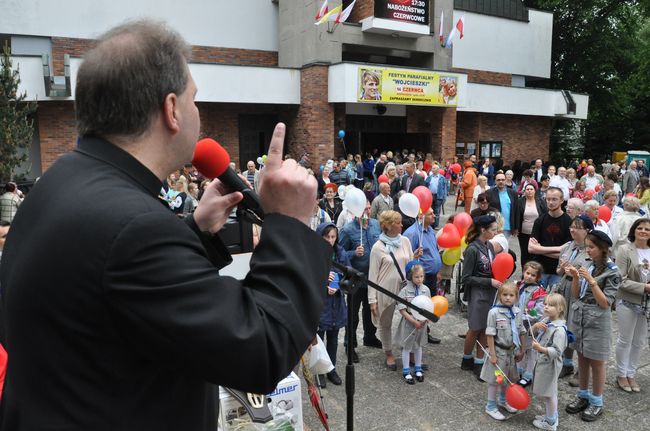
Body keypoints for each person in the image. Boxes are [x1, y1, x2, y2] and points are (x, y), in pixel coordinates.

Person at [0, 21, 332, 430]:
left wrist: (194, 231)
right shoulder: (135, 228)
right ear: (171, 110)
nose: (199, 112)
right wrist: (290, 224)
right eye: (195, 100)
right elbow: (261, 349)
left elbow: (118, 297)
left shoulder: (61, 181)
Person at [564, 230, 620, 422]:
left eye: (591, 247)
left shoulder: (613, 272)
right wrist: (576, 279)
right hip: (580, 316)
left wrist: (591, 281)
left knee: (597, 362)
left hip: (597, 320)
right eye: (587, 246)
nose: (587, 250)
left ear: (603, 249)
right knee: (582, 358)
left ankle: (597, 402)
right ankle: (583, 395)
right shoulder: (588, 264)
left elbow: (605, 303)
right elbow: (575, 295)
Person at [368, 210, 420, 370]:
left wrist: (416, 258)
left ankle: (411, 352)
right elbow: (372, 274)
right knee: (386, 323)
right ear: (389, 225)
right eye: (398, 222)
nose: (402, 224)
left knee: (411, 320)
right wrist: (372, 300)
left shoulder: (404, 241)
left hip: (405, 289)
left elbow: (410, 264)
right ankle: (389, 353)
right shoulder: (378, 247)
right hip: (385, 290)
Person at [339, 200, 382, 360]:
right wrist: (353, 253)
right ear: (357, 210)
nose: (368, 211)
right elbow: (340, 254)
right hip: (355, 279)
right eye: (365, 208)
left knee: (370, 310)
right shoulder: (348, 229)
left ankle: (370, 337)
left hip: (373, 278)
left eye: (369, 208)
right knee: (353, 314)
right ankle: (349, 344)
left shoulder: (376, 225)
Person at [460, 215, 500, 379]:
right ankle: (466, 358)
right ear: (483, 230)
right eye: (493, 229)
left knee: (486, 327)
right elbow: (466, 278)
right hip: (477, 293)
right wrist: (489, 280)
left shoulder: (489, 245)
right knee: (475, 327)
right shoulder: (472, 249)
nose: (496, 232)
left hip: (490, 292)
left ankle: (479, 361)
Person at [614, 218, 650, 393]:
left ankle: (631, 373)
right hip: (628, 300)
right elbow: (619, 280)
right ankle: (621, 374)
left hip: (647, 304)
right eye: (640, 228)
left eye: (647, 229)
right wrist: (644, 287)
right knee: (625, 339)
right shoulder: (624, 250)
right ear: (634, 230)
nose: (644, 231)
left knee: (639, 341)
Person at [555, 215, 592, 383]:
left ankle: (581, 370)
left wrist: (576, 274)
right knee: (564, 325)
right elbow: (558, 272)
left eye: (577, 227)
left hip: (580, 291)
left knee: (576, 327)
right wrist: (563, 269)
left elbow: (593, 275)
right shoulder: (568, 247)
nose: (572, 230)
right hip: (564, 288)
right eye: (571, 226)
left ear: (587, 231)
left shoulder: (591, 250)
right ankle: (566, 363)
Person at [481, 282, 526, 421]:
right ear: (499, 295)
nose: (508, 298)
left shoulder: (517, 312)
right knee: (496, 380)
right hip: (498, 353)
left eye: (511, 295)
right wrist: (492, 355)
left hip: (511, 353)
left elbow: (521, 331)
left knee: (508, 379)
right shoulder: (494, 312)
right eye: (504, 295)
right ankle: (490, 406)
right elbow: (490, 334)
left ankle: (502, 400)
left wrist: (522, 350)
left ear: (516, 297)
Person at [315, 222, 350, 387]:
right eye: (327, 236)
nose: (330, 240)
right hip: (321, 305)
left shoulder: (340, 252)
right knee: (319, 339)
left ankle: (331, 369)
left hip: (336, 302)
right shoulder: (313, 254)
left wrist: (338, 286)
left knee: (334, 339)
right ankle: (320, 371)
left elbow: (348, 274)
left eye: (333, 237)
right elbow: (308, 276)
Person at [530, 293, 569, 431]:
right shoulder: (547, 320)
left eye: (551, 305)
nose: (546, 307)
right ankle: (550, 415)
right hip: (543, 363)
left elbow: (557, 352)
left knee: (549, 393)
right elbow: (533, 332)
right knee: (549, 392)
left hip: (549, 365)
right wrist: (535, 327)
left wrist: (540, 348)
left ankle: (551, 422)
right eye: (545, 304)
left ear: (560, 309)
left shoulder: (559, 331)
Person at [403, 207, 443, 343]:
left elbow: (434, 250)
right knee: (420, 307)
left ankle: (425, 332)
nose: (434, 216)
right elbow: (408, 258)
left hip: (432, 275)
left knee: (428, 306)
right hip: (420, 278)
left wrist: (438, 270)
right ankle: (417, 333)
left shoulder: (430, 230)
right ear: (421, 216)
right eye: (430, 214)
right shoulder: (413, 233)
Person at [394, 262, 430, 384]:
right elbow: (402, 310)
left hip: (422, 324)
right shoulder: (405, 291)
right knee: (407, 346)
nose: (419, 279)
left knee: (418, 346)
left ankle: (418, 368)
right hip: (409, 323)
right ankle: (406, 371)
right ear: (411, 277)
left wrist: (425, 320)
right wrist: (414, 321)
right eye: (416, 277)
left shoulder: (426, 290)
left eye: (421, 276)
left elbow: (429, 307)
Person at [529, 187, 572, 289]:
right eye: (548, 199)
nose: (550, 202)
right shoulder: (540, 221)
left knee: (554, 303)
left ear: (562, 200)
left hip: (558, 271)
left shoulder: (569, 222)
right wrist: (559, 249)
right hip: (540, 269)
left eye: (554, 199)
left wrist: (540, 250)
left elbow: (567, 254)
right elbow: (531, 249)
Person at [516, 261, 546, 387]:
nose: (529, 276)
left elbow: (539, 311)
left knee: (531, 351)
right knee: (520, 348)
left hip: (531, 327)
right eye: (527, 273)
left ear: (537, 277)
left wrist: (525, 316)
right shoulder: (518, 285)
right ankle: (519, 370)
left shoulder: (539, 292)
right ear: (523, 272)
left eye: (533, 275)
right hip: (518, 325)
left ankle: (529, 374)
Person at [517, 183, 547, 270]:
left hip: (537, 233)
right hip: (523, 233)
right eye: (527, 189)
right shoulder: (520, 201)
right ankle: (524, 273)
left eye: (531, 189)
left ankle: (535, 273)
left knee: (536, 253)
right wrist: (515, 228)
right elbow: (517, 215)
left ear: (535, 191)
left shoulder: (540, 201)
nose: (529, 191)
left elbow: (545, 215)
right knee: (525, 253)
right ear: (524, 191)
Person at [487, 172, 520, 237]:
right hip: (494, 227)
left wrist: (516, 227)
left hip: (508, 227)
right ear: (495, 181)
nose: (501, 181)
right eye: (498, 180)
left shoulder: (512, 193)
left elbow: (516, 210)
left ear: (505, 180)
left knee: (504, 246)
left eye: (502, 179)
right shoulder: (489, 193)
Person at [426, 164, 448, 229]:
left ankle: (436, 225)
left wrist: (444, 198)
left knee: (437, 211)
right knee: (430, 211)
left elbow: (445, 188)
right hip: (430, 196)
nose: (432, 169)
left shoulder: (442, 178)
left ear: (438, 170)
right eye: (432, 168)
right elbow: (426, 185)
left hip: (438, 196)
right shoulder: (429, 177)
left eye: (434, 168)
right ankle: (430, 224)